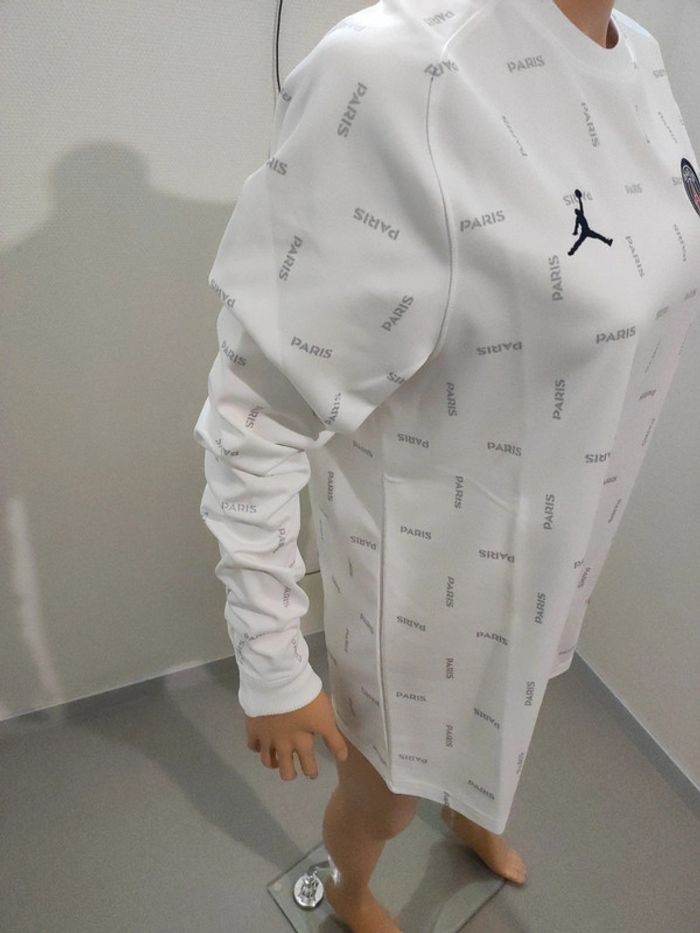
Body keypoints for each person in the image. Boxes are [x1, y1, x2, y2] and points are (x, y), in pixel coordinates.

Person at [193, 1, 700, 930]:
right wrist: (271, 661)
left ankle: (471, 811)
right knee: (387, 793)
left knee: (510, 716)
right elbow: (255, 407)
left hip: (560, 549)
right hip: (425, 581)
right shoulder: (399, 71)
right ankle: (351, 891)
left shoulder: (638, 55)